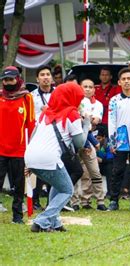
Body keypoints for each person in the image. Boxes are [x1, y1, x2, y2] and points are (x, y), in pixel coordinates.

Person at [25, 82, 89, 232]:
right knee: (67, 190)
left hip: (31, 156)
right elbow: (79, 143)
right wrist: (85, 124)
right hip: (49, 157)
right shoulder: (72, 113)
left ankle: (55, 222)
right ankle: (42, 220)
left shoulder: (45, 113)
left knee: (58, 185)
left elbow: (34, 135)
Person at [0, 66, 35, 224]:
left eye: (11, 79)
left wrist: (30, 147)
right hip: (0, 149)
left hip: (19, 150)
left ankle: (17, 215)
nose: (8, 82)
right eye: (5, 80)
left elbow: (31, 124)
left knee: (18, 185)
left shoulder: (26, 98)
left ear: (18, 79)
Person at [107, 68, 130, 211]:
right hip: (120, 140)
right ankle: (114, 200)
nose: (127, 81)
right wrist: (112, 141)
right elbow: (111, 121)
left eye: (129, 78)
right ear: (119, 82)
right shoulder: (114, 100)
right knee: (117, 171)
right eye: (124, 79)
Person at [70, 78, 107, 211]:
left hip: (89, 139)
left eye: (90, 87)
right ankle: (74, 201)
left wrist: (86, 120)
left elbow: (96, 121)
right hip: (74, 141)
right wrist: (87, 120)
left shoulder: (98, 104)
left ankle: (98, 201)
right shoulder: (74, 100)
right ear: (80, 87)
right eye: (85, 86)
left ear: (94, 89)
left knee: (94, 171)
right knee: (76, 172)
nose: (87, 89)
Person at [31, 65, 55, 210]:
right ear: (37, 78)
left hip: (54, 135)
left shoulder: (58, 93)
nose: (45, 77)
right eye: (42, 75)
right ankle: (35, 200)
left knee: (53, 167)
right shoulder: (31, 96)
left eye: (48, 74)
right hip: (38, 134)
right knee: (38, 168)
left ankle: (51, 201)